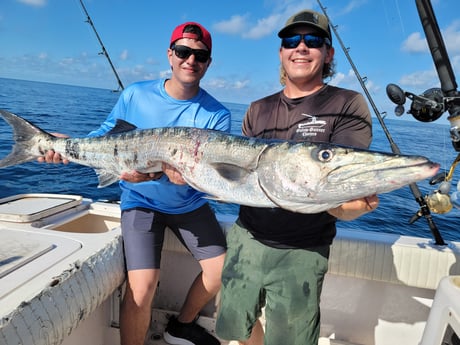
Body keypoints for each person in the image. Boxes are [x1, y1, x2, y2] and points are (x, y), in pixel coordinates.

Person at [41, 22, 229, 345]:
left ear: (208, 63)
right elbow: (104, 137)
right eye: (183, 52)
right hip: (141, 202)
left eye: (200, 55)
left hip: (189, 204)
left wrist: (187, 179)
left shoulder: (217, 114)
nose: (190, 60)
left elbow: (209, 177)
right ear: (170, 55)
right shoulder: (135, 94)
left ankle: (181, 325)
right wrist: (64, 145)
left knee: (223, 272)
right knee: (141, 290)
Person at [215, 9, 379, 345]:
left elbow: (340, 182)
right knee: (235, 325)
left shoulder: (347, 104)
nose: (300, 48)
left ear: (328, 53)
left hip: (303, 250)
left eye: (313, 41)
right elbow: (235, 178)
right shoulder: (257, 108)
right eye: (292, 40)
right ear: (281, 52)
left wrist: (349, 207)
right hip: (246, 237)